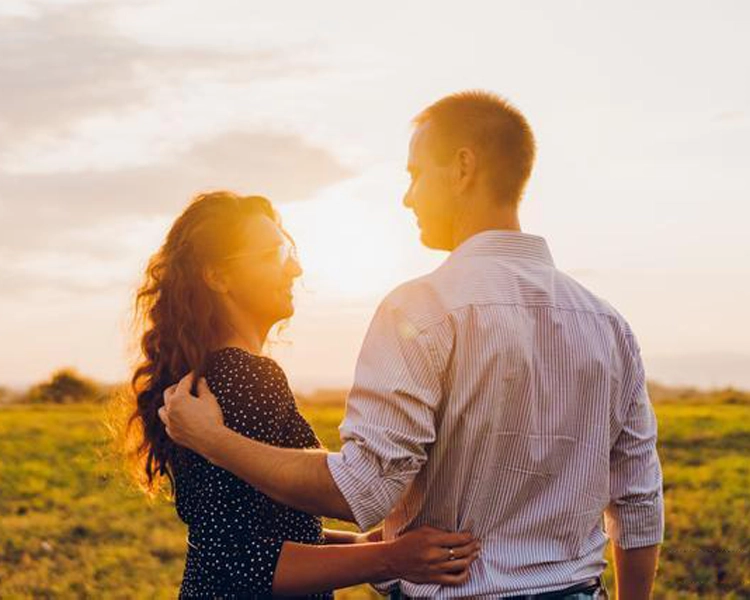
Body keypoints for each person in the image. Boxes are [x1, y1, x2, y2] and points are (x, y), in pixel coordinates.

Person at [160, 91, 665, 599]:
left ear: (462, 168)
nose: (408, 197)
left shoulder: (419, 310)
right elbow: (640, 504)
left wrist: (214, 440)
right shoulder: (608, 324)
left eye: (415, 174)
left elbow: (364, 489)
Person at [122, 191, 479, 598]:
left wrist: (363, 546)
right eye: (273, 254)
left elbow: (264, 528)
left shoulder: (213, 375)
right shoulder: (245, 376)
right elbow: (242, 562)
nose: (295, 268)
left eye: (288, 250)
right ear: (218, 277)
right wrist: (393, 558)